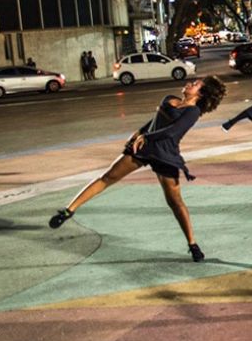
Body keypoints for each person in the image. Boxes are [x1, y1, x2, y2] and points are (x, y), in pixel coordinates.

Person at [48, 77, 228, 261]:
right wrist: (139, 133)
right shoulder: (169, 99)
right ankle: (68, 211)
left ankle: (192, 244)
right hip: (144, 147)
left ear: (201, 94)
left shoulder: (193, 111)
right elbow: (155, 121)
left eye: (196, 84)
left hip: (165, 155)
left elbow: (173, 131)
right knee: (108, 177)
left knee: (175, 202)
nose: (190, 84)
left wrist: (147, 137)